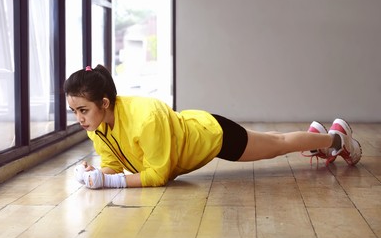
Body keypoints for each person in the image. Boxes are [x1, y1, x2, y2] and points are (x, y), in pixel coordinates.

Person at [64, 65, 362, 189]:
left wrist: (110, 183)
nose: (79, 118)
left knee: (278, 145)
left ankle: (336, 139)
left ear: (104, 102)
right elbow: (114, 162)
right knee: (275, 140)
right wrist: (98, 174)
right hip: (200, 131)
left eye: (83, 109)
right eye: (74, 111)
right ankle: (317, 138)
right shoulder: (98, 125)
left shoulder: (146, 117)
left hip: (212, 136)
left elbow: (158, 175)